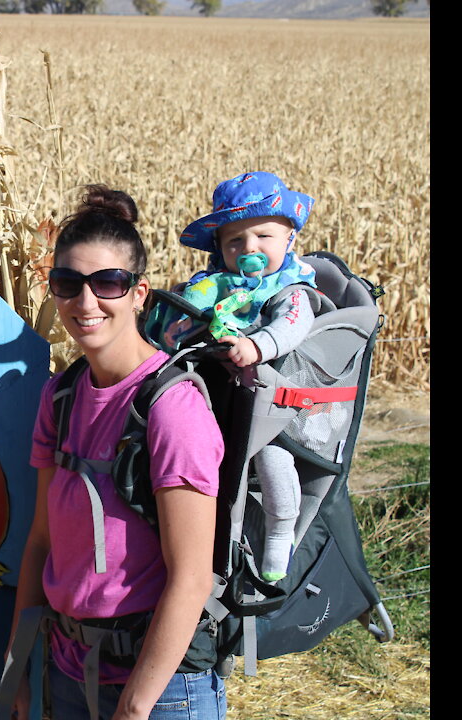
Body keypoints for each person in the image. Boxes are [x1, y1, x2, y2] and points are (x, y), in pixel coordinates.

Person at [4, 185, 225, 719]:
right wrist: (18, 670)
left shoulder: (171, 409)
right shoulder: (59, 396)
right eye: (67, 283)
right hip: (67, 667)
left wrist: (136, 705)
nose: (85, 302)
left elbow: (191, 576)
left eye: (107, 282)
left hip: (160, 687)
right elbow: (40, 543)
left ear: (139, 292)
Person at [153, 171, 319, 582]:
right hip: (219, 395)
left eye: (263, 236)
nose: (250, 248)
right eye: (235, 241)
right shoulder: (218, 286)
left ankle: (282, 529)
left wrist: (257, 346)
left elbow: (293, 325)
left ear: (288, 239)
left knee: (272, 462)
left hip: (275, 407)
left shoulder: (290, 288)